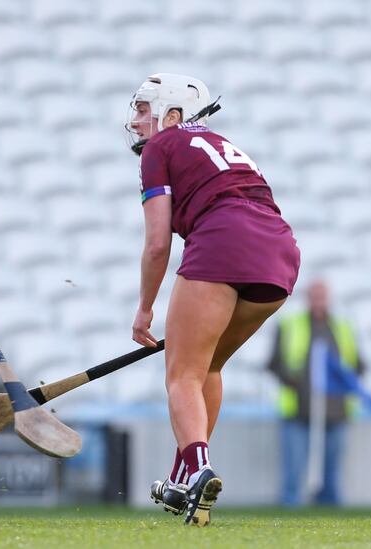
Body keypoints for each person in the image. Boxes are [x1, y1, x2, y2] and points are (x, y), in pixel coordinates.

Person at [126, 73, 300, 526]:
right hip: (279, 254)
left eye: (146, 110)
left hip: (224, 243)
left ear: (174, 115)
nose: (137, 121)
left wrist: (145, 307)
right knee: (208, 367)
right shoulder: (226, 144)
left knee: (181, 375)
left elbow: (157, 243)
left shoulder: (160, 150)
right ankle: (184, 478)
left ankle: (199, 468)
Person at [268, 278, 367, 506]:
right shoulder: (290, 324)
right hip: (298, 410)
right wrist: (296, 381)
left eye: (322, 296)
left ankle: (330, 515)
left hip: (336, 411)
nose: (319, 301)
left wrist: (344, 380)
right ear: (307, 298)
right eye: (315, 296)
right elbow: (275, 363)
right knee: (293, 471)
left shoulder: (343, 327)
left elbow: (358, 365)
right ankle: (288, 514)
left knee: (332, 472)